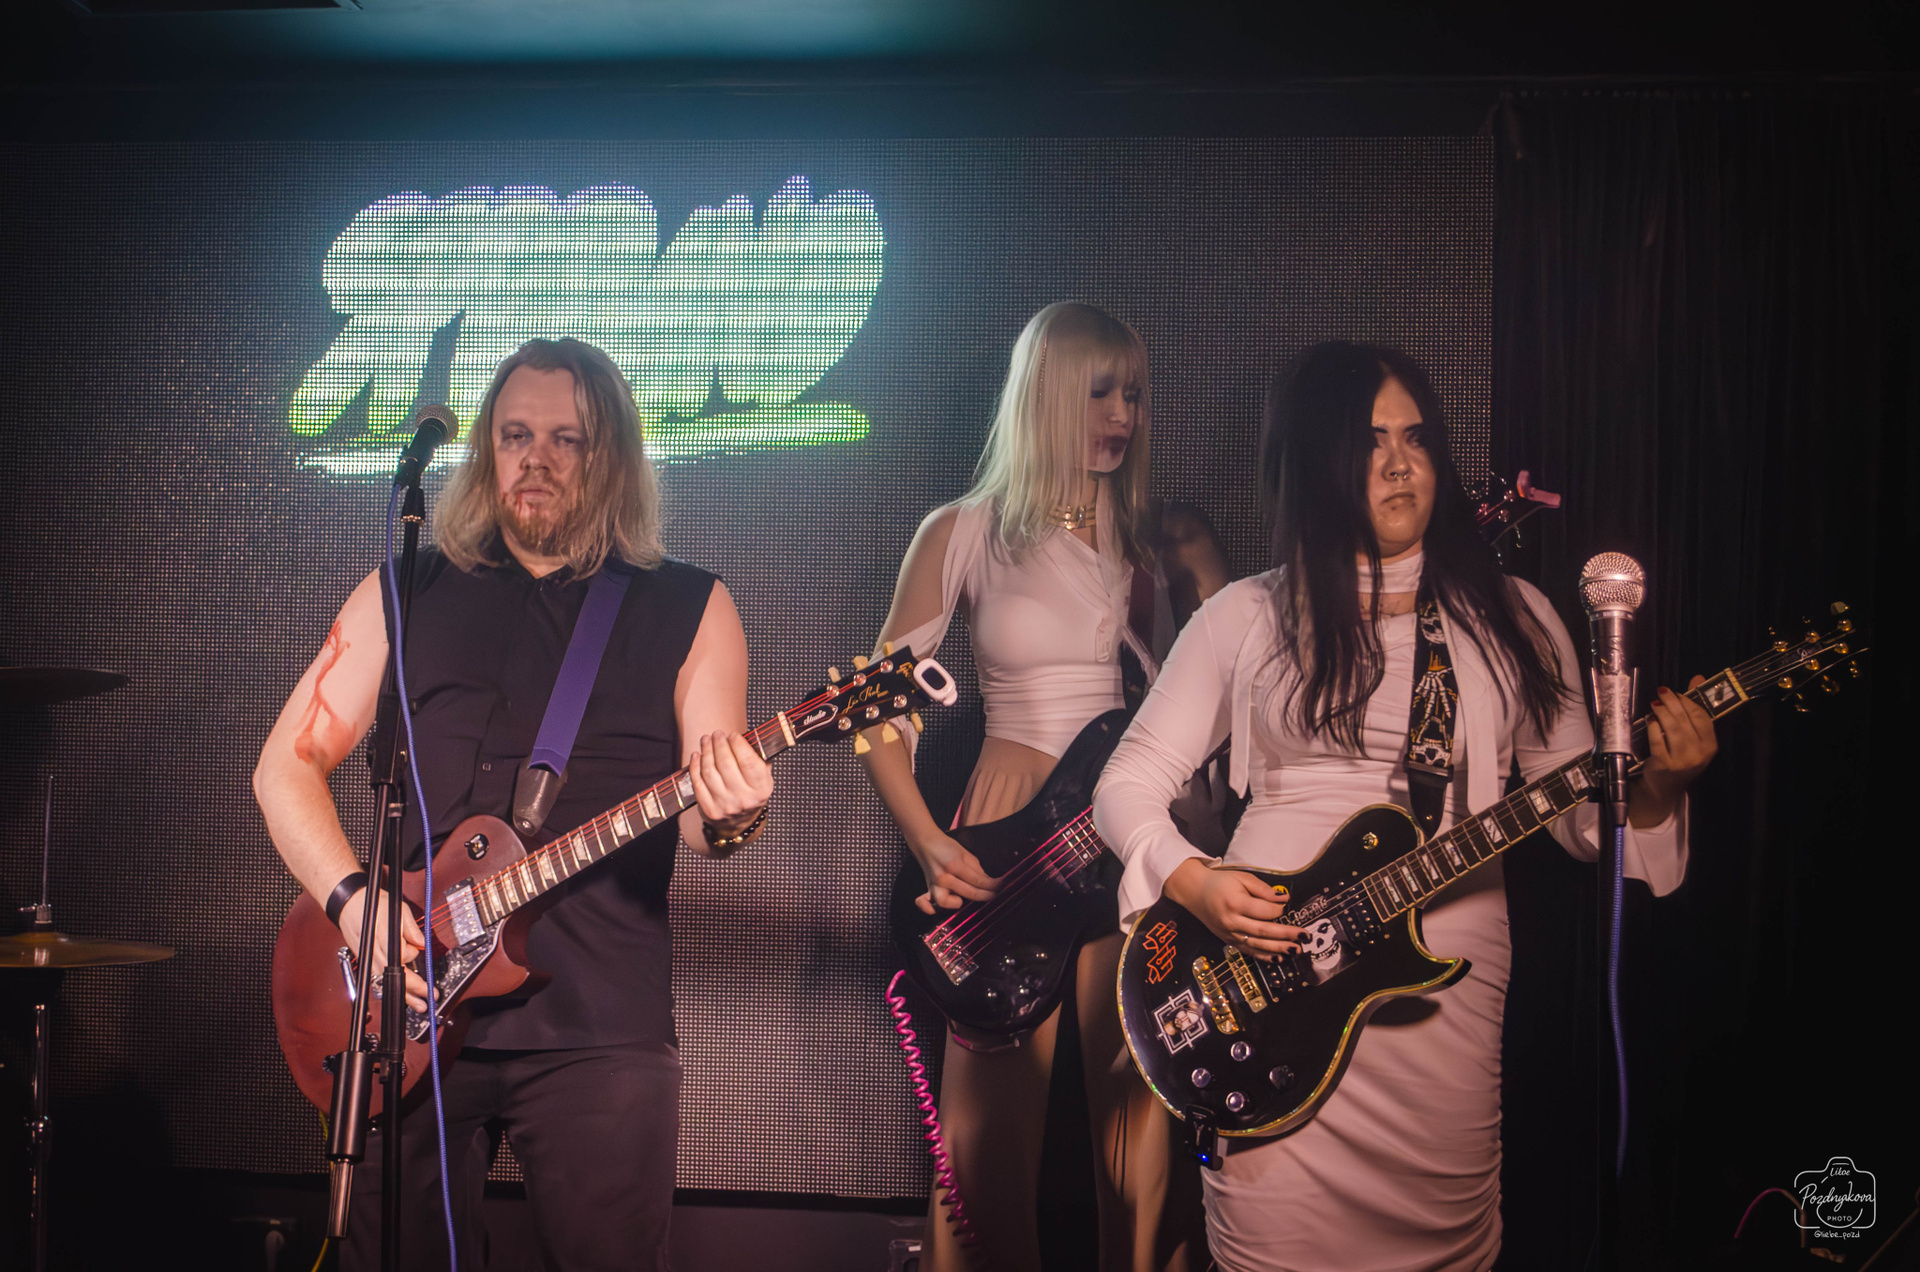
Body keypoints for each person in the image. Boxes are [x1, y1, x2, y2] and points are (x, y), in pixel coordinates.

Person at [1091, 341, 1719, 1271]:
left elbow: (1583, 815)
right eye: (1371, 440)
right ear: (1316, 461)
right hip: (1269, 983)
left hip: (1443, 1000)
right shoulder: (1244, 616)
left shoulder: (1513, 615)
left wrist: (1659, 790)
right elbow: (1126, 783)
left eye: (1417, 439)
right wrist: (1192, 882)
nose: (1399, 463)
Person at [253, 337, 773, 1272]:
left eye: (566, 439)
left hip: (597, 1025)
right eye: (515, 436)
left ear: (612, 455)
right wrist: (353, 902)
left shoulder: (690, 605)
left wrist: (734, 811)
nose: (536, 459)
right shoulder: (403, 587)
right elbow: (283, 767)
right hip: (402, 1017)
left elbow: (705, 816)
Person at [860, 302, 1230, 1272]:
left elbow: (1236, 700)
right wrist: (926, 840)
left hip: (1130, 826)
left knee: (1141, 1125)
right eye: (1099, 392)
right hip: (1007, 823)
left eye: (1134, 395)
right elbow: (876, 712)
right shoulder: (961, 532)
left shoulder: (1164, 541)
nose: (1122, 415)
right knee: (984, 1140)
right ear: (1045, 396)